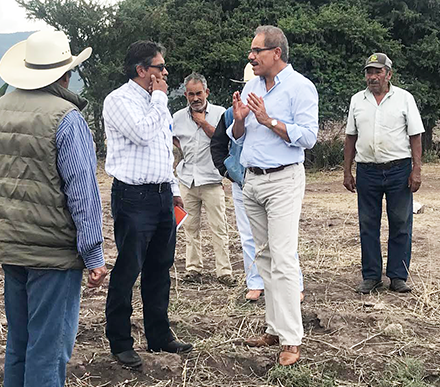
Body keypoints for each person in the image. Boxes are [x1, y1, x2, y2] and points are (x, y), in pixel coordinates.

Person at [0, 30, 107, 387]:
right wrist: (94, 254)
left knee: (19, 344)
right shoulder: (66, 118)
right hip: (52, 254)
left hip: (9, 247)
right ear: (64, 74)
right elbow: (82, 191)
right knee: (48, 351)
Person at [227, 26, 319, 366]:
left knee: (282, 259)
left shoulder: (300, 87)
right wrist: (239, 121)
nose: (251, 57)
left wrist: (269, 120)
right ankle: (273, 329)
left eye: (257, 51)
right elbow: (238, 136)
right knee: (263, 259)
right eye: (251, 51)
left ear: (276, 53)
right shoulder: (251, 85)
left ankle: (292, 339)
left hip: (283, 180)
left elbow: (309, 137)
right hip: (251, 181)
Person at [103, 40, 193, 368]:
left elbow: (161, 150)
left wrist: (173, 188)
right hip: (133, 197)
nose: (166, 73)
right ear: (142, 70)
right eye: (159, 67)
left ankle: (159, 335)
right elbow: (142, 133)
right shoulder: (118, 100)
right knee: (128, 269)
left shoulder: (158, 102)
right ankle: (120, 341)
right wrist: (159, 98)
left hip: (160, 195)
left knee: (160, 268)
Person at [211, 63, 305, 302]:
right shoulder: (231, 113)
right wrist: (229, 172)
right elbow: (219, 145)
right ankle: (255, 281)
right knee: (248, 235)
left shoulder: (277, 107)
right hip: (243, 181)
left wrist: (267, 120)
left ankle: (295, 285)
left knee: (282, 237)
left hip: (275, 178)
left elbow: (302, 137)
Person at [343, 53, 424, 295]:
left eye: (378, 72)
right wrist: (347, 170)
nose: (373, 77)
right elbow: (350, 136)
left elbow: (415, 136)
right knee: (368, 224)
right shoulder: (357, 100)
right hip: (367, 171)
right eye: (369, 72)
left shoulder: (404, 99)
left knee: (400, 223)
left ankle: (397, 276)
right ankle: (371, 276)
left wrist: (416, 169)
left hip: (399, 170)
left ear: (389, 74)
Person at [172, 72, 234, 286]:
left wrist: (202, 122)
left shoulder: (220, 113)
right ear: (186, 95)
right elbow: (172, 139)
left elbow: (223, 140)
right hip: (187, 180)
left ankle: (224, 272)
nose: (195, 98)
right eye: (191, 94)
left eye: (199, 93)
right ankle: (193, 269)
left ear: (207, 92)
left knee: (219, 227)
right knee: (190, 227)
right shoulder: (178, 117)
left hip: (212, 179)